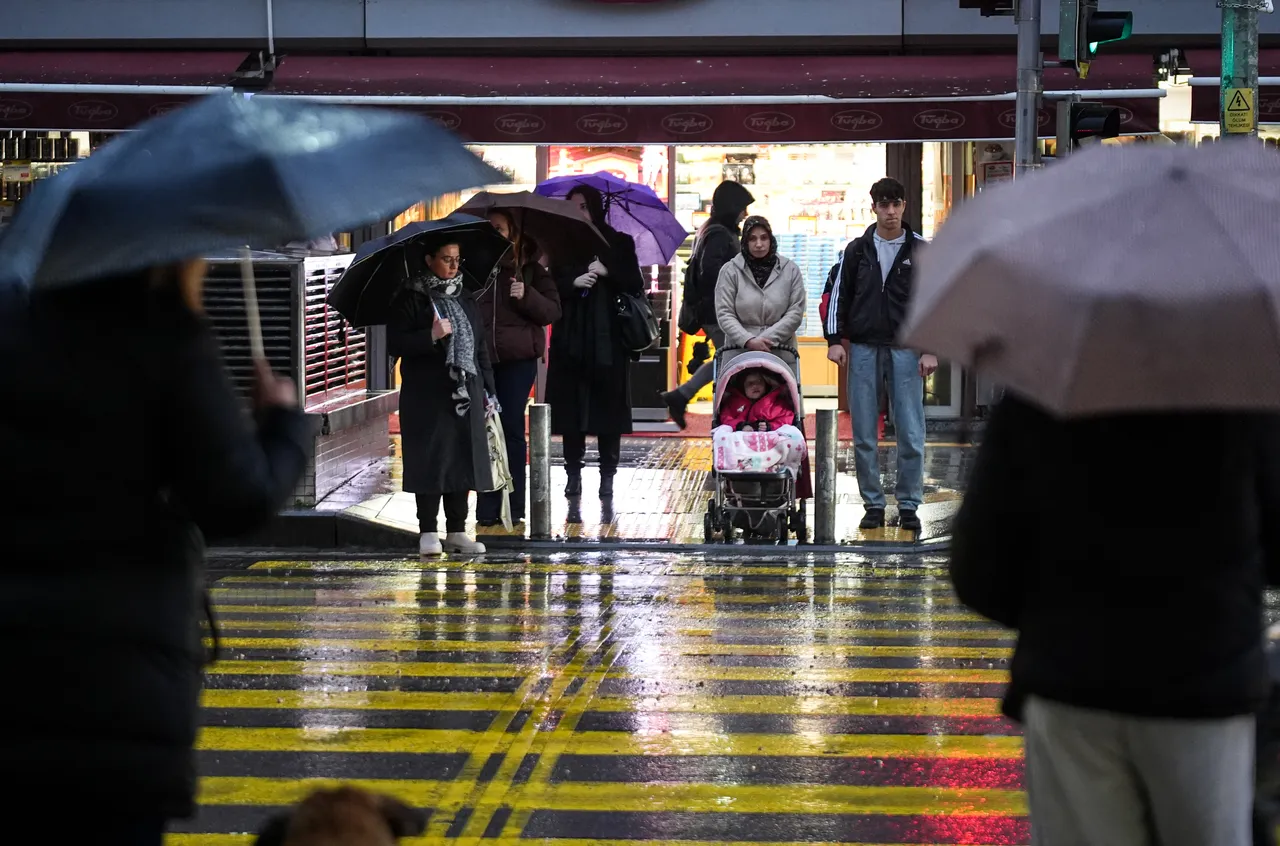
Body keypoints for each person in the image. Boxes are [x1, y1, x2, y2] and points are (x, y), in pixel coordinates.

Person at [0, 259, 309, 837]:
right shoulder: (164, 337)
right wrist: (282, 425)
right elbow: (236, 498)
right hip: (120, 683)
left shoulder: (13, 327)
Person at [951, 394, 1280, 846]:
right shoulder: (1239, 399)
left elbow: (978, 570)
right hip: (1205, 685)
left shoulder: (1040, 398)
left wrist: (1053, 621)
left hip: (1070, 686)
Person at [824, 177, 936, 533]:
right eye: (883, 205)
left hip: (906, 347)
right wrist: (834, 339)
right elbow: (838, 295)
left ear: (904, 206)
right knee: (863, 432)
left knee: (911, 430)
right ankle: (872, 503)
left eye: (896, 204)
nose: (890, 212)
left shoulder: (921, 250)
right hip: (864, 347)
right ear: (873, 207)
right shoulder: (856, 250)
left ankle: (908, 505)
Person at [388, 239, 494, 556]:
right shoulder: (411, 297)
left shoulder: (466, 297)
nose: (453, 266)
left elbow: (479, 346)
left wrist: (489, 388)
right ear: (429, 259)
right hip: (426, 393)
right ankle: (428, 531)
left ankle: (458, 530)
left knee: (462, 458)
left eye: (457, 259)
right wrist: (431, 336)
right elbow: (396, 344)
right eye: (446, 259)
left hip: (465, 391)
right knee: (431, 459)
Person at [546, 184, 645, 502]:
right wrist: (573, 281)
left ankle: (607, 476)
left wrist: (609, 270)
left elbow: (635, 284)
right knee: (572, 412)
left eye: (584, 206)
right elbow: (549, 288)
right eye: (573, 206)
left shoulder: (618, 242)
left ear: (596, 208)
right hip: (571, 340)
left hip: (608, 341)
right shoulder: (560, 245)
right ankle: (572, 473)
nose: (578, 212)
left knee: (608, 411)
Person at [475, 211, 561, 527]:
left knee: (510, 428)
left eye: (498, 228)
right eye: (489, 228)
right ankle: (486, 507)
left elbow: (552, 311)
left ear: (513, 232)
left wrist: (526, 295)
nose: (493, 233)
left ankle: (513, 505)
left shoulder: (531, 271)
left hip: (517, 361)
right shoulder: (476, 269)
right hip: (481, 361)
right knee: (485, 431)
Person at [662, 179, 755, 428]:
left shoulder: (713, 230)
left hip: (716, 311)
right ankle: (722, 410)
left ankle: (683, 396)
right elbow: (712, 273)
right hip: (719, 312)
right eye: (742, 208)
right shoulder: (718, 234)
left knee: (730, 358)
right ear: (731, 206)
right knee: (735, 359)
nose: (744, 214)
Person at [714, 215, 806, 379]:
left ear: (771, 239)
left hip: (781, 352)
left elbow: (795, 312)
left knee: (781, 403)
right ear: (745, 242)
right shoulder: (730, 271)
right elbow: (724, 313)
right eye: (752, 239)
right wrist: (748, 340)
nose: (759, 244)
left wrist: (765, 339)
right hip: (739, 353)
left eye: (764, 238)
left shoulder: (790, 270)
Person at [719, 370, 795, 432]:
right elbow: (725, 418)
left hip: (769, 440)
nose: (755, 386)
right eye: (750, 383)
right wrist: (740, 425)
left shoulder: (776, 403)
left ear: (766, 384)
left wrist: (770, 426)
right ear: (742, 387)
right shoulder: (733, 403)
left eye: (759, 381)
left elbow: (787, 418)